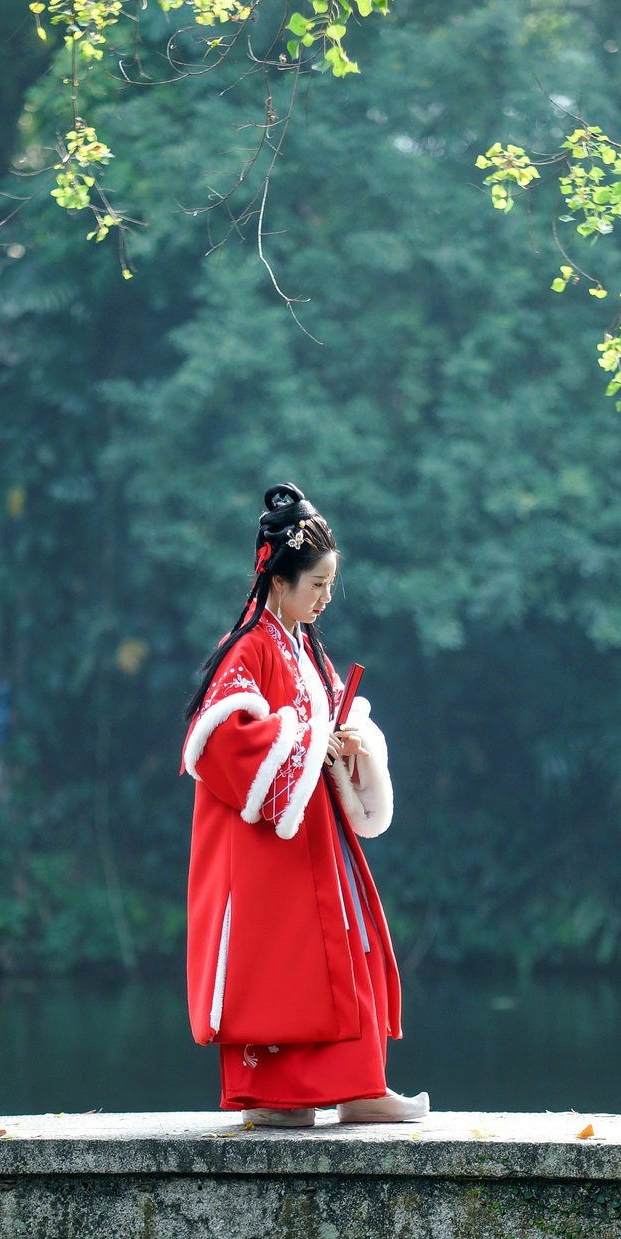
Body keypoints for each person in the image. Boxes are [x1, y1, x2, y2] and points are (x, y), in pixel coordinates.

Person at [181, 482, 429, 1128]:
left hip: (314, 833)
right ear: (278, 581)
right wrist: (308, 736)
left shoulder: (300, 645)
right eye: (315, 584)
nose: (323, 598)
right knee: (290, 965)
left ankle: (358, 1086)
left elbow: (307, 728)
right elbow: (218, 745)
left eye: (328, 585)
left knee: (348, 950)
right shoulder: (249, 649)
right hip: (271, 845)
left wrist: (346, 743)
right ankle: (278, 1096)